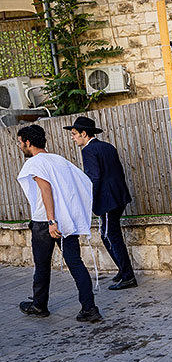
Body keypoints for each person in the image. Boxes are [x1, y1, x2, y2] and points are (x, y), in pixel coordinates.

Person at [16, 124, 102, 322]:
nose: (20, 146)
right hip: (66, 222)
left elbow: (46, 190)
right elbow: (81, 183)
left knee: (42, 265)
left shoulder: (35, 163)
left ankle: (39, 305)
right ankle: (89, 308)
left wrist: (51, 220)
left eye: (20, 142)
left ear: (28, 142)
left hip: (46, 222)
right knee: (75, 263)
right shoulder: (59, 160)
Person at [66, 116, 136, 291]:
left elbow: (93, 178)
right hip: (119, 197)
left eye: (74, 134)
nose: (73, 137)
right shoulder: (107, 147)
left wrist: (87, 200)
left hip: (107, 200)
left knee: (109, 236)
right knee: (110, 234)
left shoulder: (88, 150)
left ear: (84, 133)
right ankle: (123, 270)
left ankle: (128, 276)